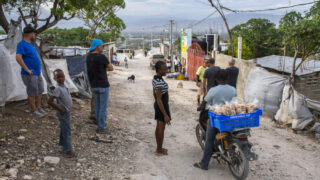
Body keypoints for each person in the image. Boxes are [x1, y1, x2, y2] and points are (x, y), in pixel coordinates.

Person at [194, 69, 237, 170]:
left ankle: (204, 164)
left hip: (217, 119)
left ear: (217, 79)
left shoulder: (213, 90)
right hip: (231, 117)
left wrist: (200, 107)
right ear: (227, 78)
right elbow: (235, 102)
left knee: (209, 140)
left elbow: (204, 102)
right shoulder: (233, 89)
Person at [16, 26, 46, 117]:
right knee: (32, 92)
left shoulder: (30, 44)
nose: (35, 35)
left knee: (40, 90)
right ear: (30, 34)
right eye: (34, 33)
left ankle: (38, 107)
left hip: (37, 72)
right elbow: (18, 57)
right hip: (30, 73)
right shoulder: (22, 44)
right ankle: (33, 110)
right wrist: (27, 69)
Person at [87, 39, 114, 134]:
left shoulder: (88, 56)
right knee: (103, 107)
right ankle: (101, 127)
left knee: (97, 106)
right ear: (97, 46)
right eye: (102, 46)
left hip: (93, 85)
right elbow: (111, 68)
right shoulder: (102, 57)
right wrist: (104, 68)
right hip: (103, 85)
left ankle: (99, 124)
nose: (103, 47)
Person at [48, 69, 76, 158]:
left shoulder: (64, 86)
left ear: (65, 77)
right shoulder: (58, 89)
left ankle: (64, 146)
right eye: (58, 77)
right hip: (63, 113)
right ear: (55, 78)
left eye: (62, 76)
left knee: (64, 129)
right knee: (67, 131)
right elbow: (50, 101)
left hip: (66, 112)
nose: (61, 78)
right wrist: (60, 109)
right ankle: (68, 151)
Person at [152, 61, 171, 156]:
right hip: (162, 106)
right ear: (159, 70)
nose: (166, 70)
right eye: (164, 69)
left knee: (159, 126)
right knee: (161, 127)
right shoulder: (159, 82)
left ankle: (159, 147)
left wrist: (156, 102)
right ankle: (159, 149)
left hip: (160, 105)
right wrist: (165, 114)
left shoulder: (156, 78)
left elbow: (154, 94)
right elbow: (159, 99)